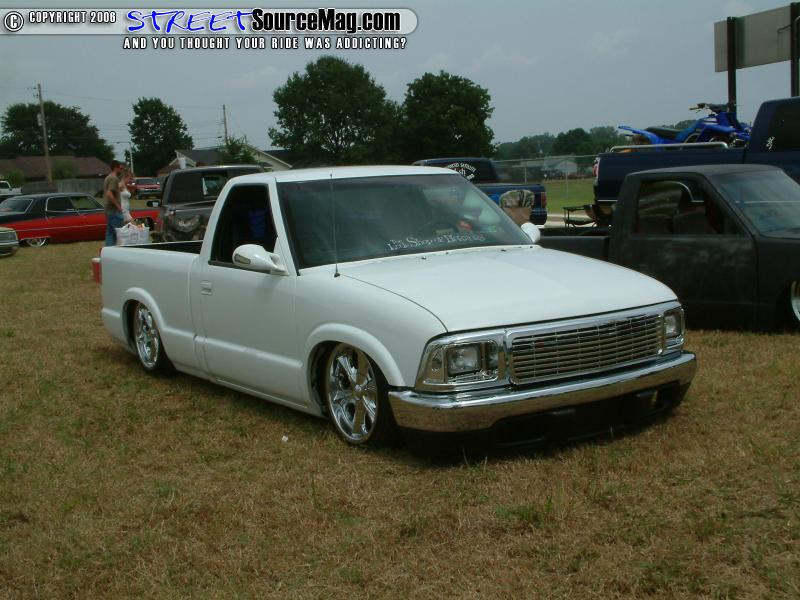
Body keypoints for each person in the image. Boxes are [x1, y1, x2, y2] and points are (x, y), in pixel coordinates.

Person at [104, 160, 125, 246]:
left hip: (108, 210)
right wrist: (118, 206)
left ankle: (108, 250)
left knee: (110, 234)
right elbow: (109, 194)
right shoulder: (114, 178)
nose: (121, 170)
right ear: (116, 167)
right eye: (120, 168)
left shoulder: (108, 177)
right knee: (120, 235)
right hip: (114, 211)